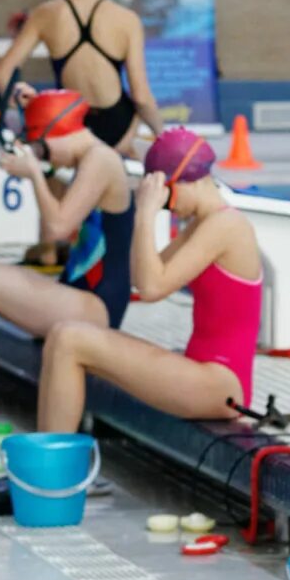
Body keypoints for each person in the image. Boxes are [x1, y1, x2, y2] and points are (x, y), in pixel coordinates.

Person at [38, 129, 261, 433]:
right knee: (64, 336)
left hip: (220, 383)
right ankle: (47, 461)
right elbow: (141, 277)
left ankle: (53, 473)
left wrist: (144, 214)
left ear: (178, 183)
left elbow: (151, 288)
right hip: (203, 372)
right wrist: (146, 215)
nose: (166, 206)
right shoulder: (205, 223)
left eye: (164, 195)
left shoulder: (226, 225)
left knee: (69, 339)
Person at [0, 89, 134, 418]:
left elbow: (57, 226)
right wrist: (34, 104)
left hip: (98, 307)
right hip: (77, 295)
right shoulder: (89, 158)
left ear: (61, 135)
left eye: (44, 149)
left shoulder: (102, 159)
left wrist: (32, 175)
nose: (45, 158)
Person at [0, 0, 165, 155]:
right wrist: (162, 135)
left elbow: (2, 74)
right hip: (118, 127)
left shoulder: (45, 13)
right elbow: (141, 96)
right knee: (119, 182)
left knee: (63, 186)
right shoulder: (127, 20)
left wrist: (27, 105)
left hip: (67, 124)